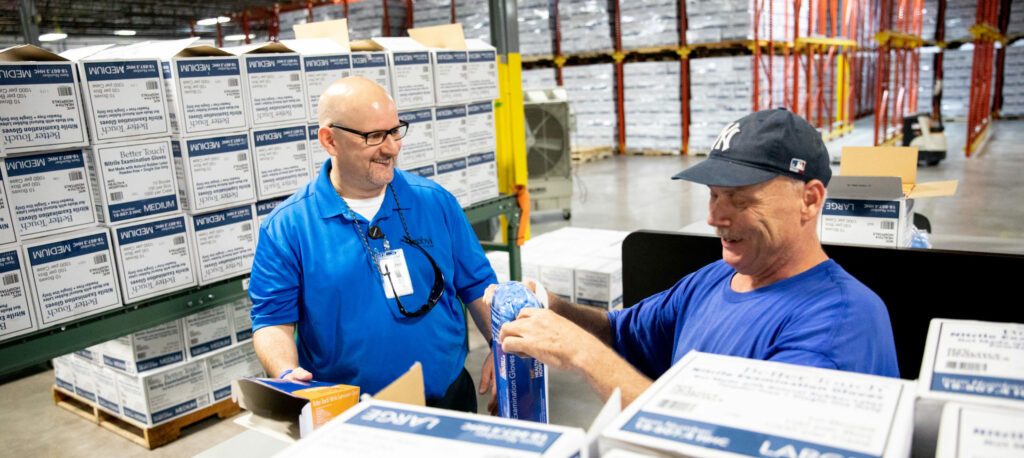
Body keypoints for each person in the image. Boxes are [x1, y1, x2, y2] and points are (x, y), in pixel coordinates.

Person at [496, 108, 899, 406]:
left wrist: (581, 354)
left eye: (740, 198)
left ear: (809, 200)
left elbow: (733, 443)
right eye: (714, 195)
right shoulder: (714, 280)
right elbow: (621, 333)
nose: (714, 217)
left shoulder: (839, 322)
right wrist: (553, 308)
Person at [248, 76, 497, 412]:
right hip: (350, 416)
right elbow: (272, 321)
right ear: (329, 140)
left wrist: (502, 346)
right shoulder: (288, 228)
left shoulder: (435, 202)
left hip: (448, 399)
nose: (392, 147)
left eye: (395, 131)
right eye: (374, 136)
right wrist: (286, 373)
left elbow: (479, 284)